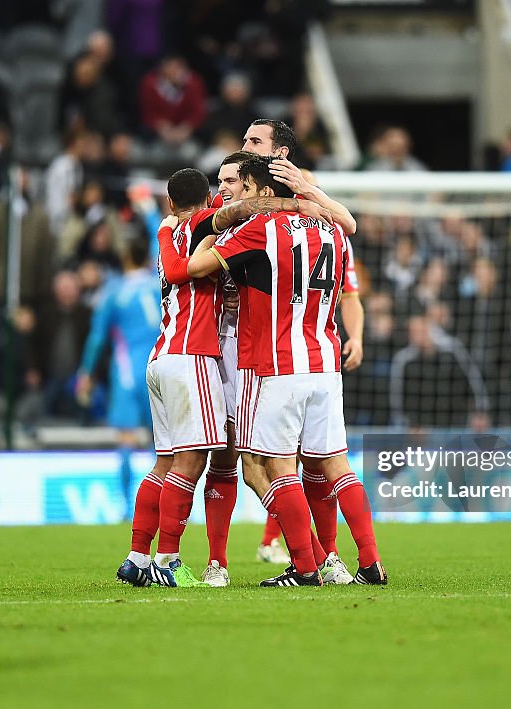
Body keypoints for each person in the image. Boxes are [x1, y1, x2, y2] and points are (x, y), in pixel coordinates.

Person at [160, 157, 386, 586]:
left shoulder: (257, 229)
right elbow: (342, 272)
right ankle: (369, 562)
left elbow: (188, 271)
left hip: (273, 364)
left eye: (239, 182)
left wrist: (172, 235)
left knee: (271, 467)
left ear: (261, 189)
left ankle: (306, 565)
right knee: (336, 466)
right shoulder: (334, 231)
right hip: (323, 360)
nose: (232, 190)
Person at [120, 164, 331, 588]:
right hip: (194, 355)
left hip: (161, 355)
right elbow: (233, 215)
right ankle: (169, 561)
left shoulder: (168, 233)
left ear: (168, 202)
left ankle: (137, 558)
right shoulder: (201, 224)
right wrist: (298, 202)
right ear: (208, 200)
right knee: (194, 460)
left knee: (165, 462)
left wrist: (162, 230)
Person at [76, 237, 160, 518]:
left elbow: (97, 337)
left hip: (126, 372)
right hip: (160, 368)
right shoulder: (159, 284)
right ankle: (159, 506)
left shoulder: (113, 292)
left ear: (125, 258)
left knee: (125, 438)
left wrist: (86, 373)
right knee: (159, 442)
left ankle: (127, 508)